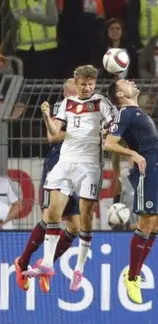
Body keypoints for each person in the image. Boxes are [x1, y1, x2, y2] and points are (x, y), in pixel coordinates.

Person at [22, 66, 115, 293]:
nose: (86, 87)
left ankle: (77, 268)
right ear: (75, 84)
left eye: (90, 83)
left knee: (82, 220)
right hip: (62, 163)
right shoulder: (64, 104)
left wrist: (104, 132)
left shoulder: (101, 103)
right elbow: (53, 133)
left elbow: (114, 124)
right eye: (82, 83)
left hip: (89, 165)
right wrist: (46, 114)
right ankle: (42, 263)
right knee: (52, 213)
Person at [104, 79, 158, 304]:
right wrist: (133, 155)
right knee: (146, 222)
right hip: (147, 171)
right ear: (120, 95)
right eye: (124, 82)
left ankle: (135, 271)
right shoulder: (125, 113)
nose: (130, 81)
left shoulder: (137, 112)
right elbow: (109, 143)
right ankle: (132, 276)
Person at [14, 78, 83, 293]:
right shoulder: (58, 108)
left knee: (75, 227)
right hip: (56, 166)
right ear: (65, 94)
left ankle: (44, 263)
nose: (77, 95)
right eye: (73, 93)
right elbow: (52, 136)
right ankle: (23, 262)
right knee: (50, 218)